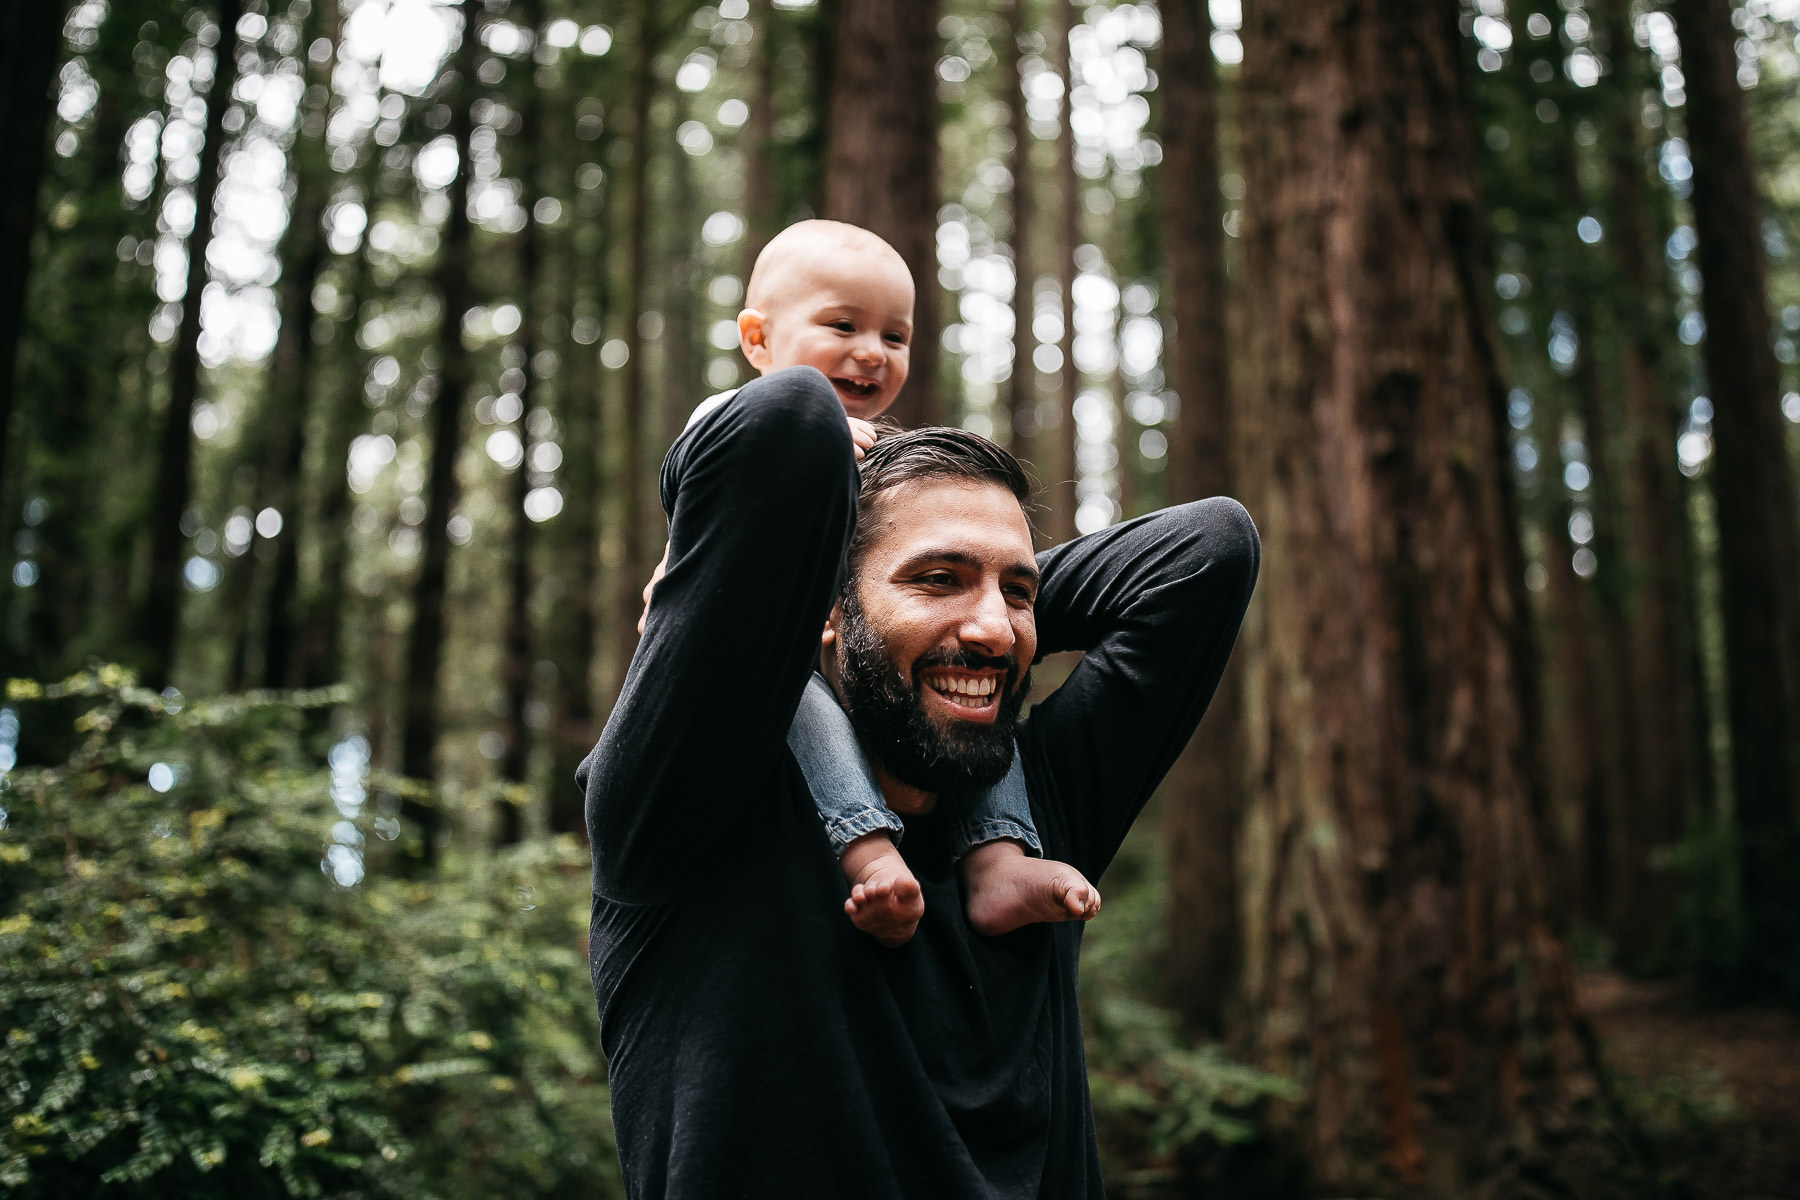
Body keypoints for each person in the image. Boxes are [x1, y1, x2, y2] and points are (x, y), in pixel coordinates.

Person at [580, 370, 1258, 1195]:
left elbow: (1207, 549)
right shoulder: (693, 804)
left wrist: (962, 604)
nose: (995, 628)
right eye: (935, 578)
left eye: (1020, 591)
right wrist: (774, 591)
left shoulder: (1026, 829)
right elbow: (782, 419)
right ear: (823, 612)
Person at [642, 218, 1098, 945]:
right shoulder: (731, 421)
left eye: (894, 337)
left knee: (992, 678)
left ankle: (998, 855)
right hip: (777, 660)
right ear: (757, 340)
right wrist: (802, 428)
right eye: (843, 325)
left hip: (871, 657)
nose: (870, 353)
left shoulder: (891, 452)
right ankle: (866, 849)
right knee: (804, 702)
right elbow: (697, 493)